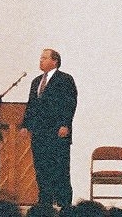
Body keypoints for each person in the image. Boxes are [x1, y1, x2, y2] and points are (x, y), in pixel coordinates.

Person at [20, 48, 78, 208]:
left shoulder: (65, 79)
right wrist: (25, 125)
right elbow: (31, 105)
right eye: (40, 58)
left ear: (55, 61)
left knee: (59, 168)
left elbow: (70, 103)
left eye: (44, 58)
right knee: (42, 168)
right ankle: (45, 202)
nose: (41, 60)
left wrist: (65, 124)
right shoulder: (36, 81)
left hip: (58, 132)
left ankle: (64, 203)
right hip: (40, 133)